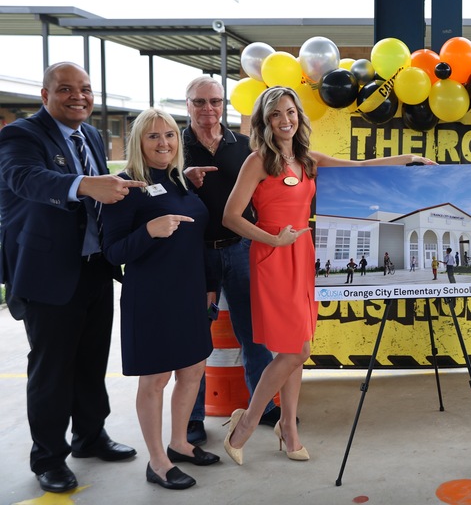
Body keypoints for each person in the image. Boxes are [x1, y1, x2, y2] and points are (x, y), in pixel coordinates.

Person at [220, 86, 433, 465]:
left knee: (297, 347)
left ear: (299, 116)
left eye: (290, 112)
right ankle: (247, 424)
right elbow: (230, 216)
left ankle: (289, 430)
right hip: (273, 254)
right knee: (295, 350)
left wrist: (409, 158)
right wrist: (273, 238)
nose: (285, 120)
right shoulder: (257, 161)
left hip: (303, 254)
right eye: (276, 115)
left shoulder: (307, 160)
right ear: (265, 121)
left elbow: (360, 168)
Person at [0, 62, 140, 493]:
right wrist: (84, 185)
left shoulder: (92, 135)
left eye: (85, 89)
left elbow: (104, 184)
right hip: (49, 273)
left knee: (91, 361)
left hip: (95, 266)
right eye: (65, 89)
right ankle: (48, 457)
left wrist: (167, 182)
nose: (78, 96)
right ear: (45, 96)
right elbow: (27, 178)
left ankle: (89, 436)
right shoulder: (20, 136)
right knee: (51, 369)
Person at [101, 109, 220, 490]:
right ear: (139, 141)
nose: (163, 143)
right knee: (155, 379)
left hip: (189, 292)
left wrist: (210, 285)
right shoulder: (124, 187)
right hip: (151, 296)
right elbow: (113, 253)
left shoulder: (179, 181)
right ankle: (157, 461)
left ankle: (180, 442)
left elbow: (198, 238)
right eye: (153, 136)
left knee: (193, 370)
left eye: (169, 134)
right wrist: (150, 231)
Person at [181, 76, 280, 444]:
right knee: (194, 338)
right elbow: (150, 181)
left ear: (224, 105)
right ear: (187, 104)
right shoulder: (174, 144)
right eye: (200, 102)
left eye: (215, 101)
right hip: (194, 255)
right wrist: (181, 176)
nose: (209, 109)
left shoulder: (244, 146)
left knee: (254, 334)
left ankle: (265, 406)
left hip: (240, 249)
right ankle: (191, 417)